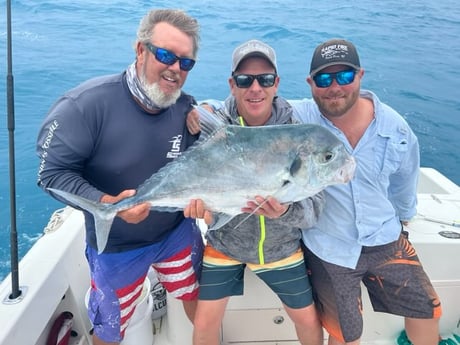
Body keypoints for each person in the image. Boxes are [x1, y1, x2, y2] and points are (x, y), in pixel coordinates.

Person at [36, 9, 203, 345]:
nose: (175, 68)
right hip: (117, 246)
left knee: (195, 297)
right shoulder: (84, 106)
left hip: (175, 233)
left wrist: (206, 117)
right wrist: (105, 203)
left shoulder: (185, 108)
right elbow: (51, 173)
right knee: (111, 327)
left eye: (185, 63)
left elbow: (201, 161)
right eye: (166, 55)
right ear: (140, 50)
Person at [288, 38, 442, 345]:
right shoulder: (298, 117)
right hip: (330, 247)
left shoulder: (395, 127)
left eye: (344, 76)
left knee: (427, 310)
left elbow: (404, 181)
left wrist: (405, 216)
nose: (335, 87)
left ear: (360, 75)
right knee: (344, 333)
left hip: (386, 238)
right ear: (309, 83)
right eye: (323, 78)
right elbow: (251, 106)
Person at [185, 39, 324, 345]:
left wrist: (286, 212)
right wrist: (203, 208)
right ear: (232, 85)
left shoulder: (296, 132)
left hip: (279, 248)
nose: (255, 88)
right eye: (245, 80)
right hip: (226, 243)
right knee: (205, 321)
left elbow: (315, 208)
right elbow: (197, 176)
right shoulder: (219, 126)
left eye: (265, 79)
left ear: (277, 84)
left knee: (307, 319)